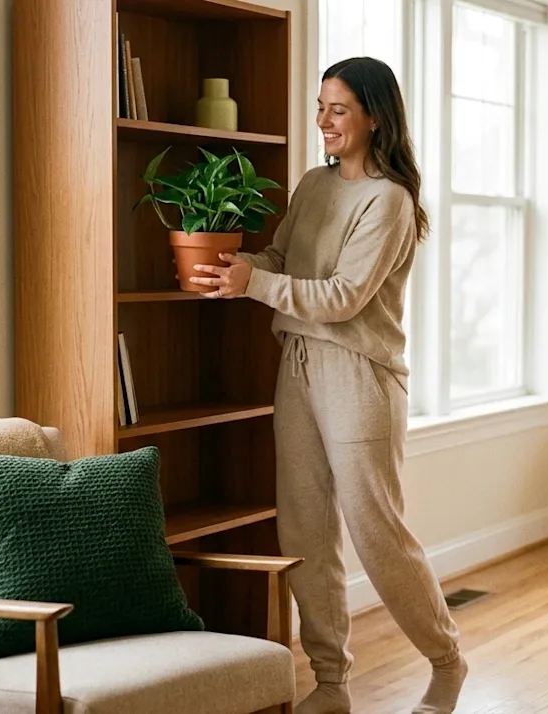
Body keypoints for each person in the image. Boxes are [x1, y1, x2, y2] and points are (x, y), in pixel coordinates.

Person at [188, 57, 467, 714]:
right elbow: (284, 260)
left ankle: (446, 661)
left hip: (359, 377)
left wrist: (255, 285)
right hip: (298, 367)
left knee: (376, 530)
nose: (324, 121)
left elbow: (343, 297)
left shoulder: (389, 200)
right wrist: (233, 265)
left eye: (338, 109)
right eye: (320, 107)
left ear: (374, 115)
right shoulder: (313, 184)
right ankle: (332, 683)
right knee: (304, 531)